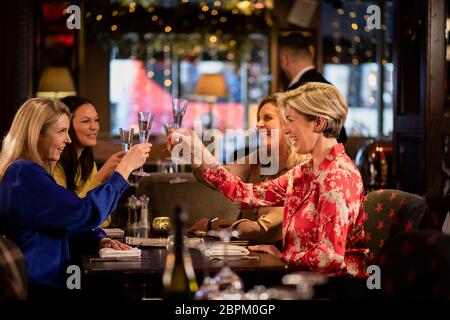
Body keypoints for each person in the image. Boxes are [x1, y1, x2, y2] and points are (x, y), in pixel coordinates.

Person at [169, 83, 368, 277]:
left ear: (319, 122)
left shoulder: (338, 176)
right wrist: (200, 152)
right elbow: (246, 194)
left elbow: (329, 259)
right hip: (300, 278)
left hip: (334, 290)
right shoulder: (304, 171)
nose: (287, 129)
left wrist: (285, 257)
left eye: (291, 120)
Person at [0, 98, 151, 291]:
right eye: (62, 131)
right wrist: (124, 169)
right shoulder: (25, 174)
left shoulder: (25, 172)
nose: (68, 139)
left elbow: (61, 223)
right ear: (36, 133)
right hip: (40, 287)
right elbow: (84, 212)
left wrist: (97, 240)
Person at [188, 95, 308, 244]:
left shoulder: (301, 170)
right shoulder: (261, 156)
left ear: (288, 123)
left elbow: (264, 230)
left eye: (267, 118)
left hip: (278, 259)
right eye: (258, 118)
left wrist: (211, 225)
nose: (258, 124)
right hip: (248, 251)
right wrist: (194, 155)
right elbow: (220, 179)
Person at [55, 96, 125, 228]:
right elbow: (70, 216)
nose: (94, 127)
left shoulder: (87, 162)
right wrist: (101, 175)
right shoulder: (55, 163)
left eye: (96, 120)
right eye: (86, 121)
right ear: (66, 126)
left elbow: (105, 219)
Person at [278, 33, 347, 144]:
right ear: (310, 55)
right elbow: (341, 135)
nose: (287, 129)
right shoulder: (329, 87)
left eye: (290, 120)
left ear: (284, 60)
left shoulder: (295, 93)